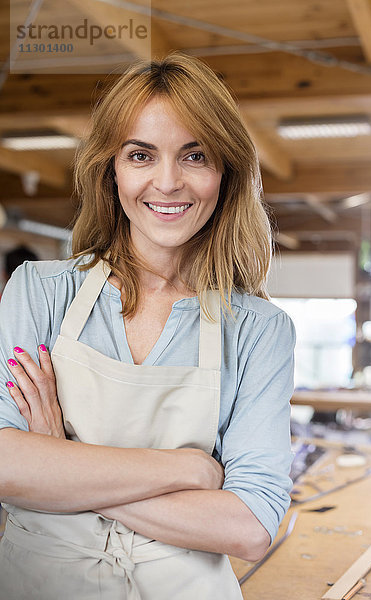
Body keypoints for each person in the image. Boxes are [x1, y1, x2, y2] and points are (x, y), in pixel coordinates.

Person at [0, 52, 295, 599]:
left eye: (194, 156)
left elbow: (250, 528)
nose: (167, 182)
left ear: (225, 172)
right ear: (111, 170)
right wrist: (187, 469)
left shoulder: (259, 330)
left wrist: (60, 460)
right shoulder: (40, 292)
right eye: (141, 155)